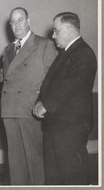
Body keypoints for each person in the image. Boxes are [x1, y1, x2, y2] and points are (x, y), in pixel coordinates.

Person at [0, 7, 57, 185]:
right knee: (15, 163)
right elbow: (4, 75)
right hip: (9, 109)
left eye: (20, 20)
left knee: (34, 160)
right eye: (13, 22)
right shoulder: (8, 49)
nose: (16, 25)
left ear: (28, 21)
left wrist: (43, 101)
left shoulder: (44, 44)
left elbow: (53, 77)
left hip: (31, 109)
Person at [33, 12, 97, 185]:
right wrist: (40, 100)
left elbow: (70, 86)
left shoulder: (83, 53)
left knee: (73, 177)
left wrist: (46, 104)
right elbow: (50, 82)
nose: (53, 36)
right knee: (55, 177)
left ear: (69, 29)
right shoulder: (66, 52)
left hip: (70, 128)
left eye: (56, 31)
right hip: (56, 125)